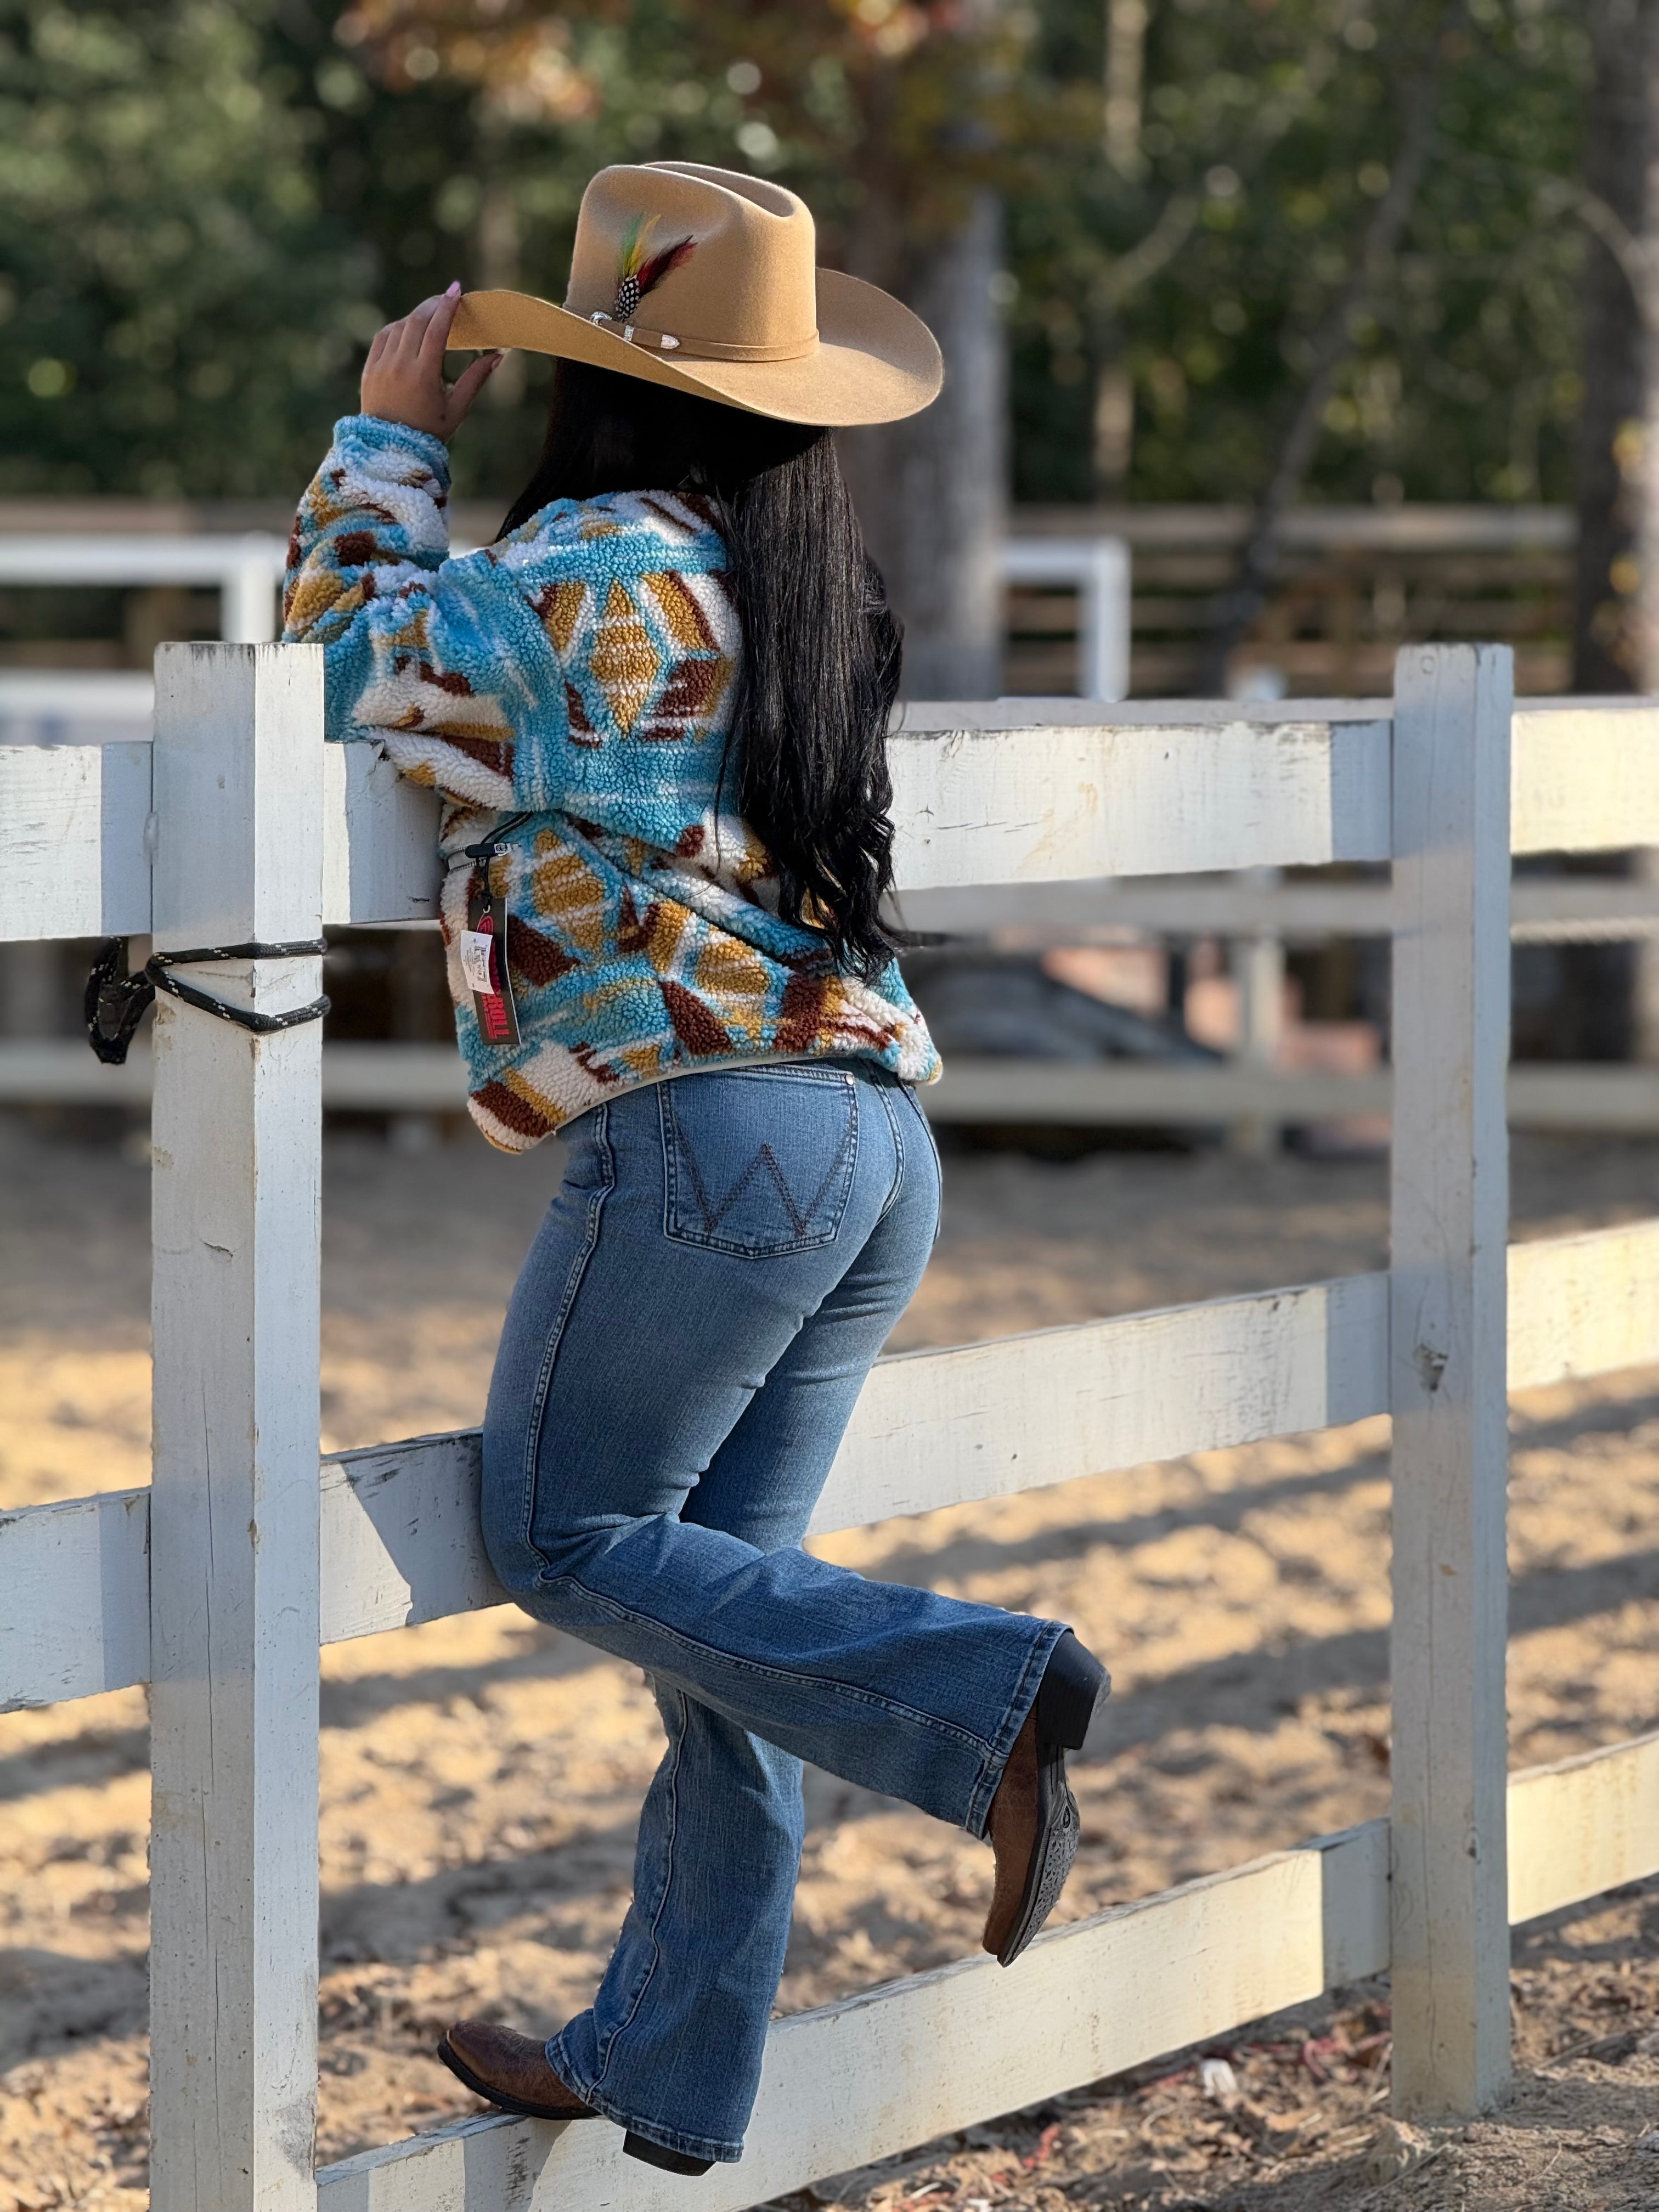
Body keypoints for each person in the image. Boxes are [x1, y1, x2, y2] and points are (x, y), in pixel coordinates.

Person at [283, 160, 1108, 2179]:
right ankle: (668, 2053)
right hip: (865, 1139)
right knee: (715, 1613)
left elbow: (324, 681)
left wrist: (387, 443)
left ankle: (994, 1702)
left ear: (596, 378)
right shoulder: (791, 584)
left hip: (711, 1132)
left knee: (566, 1538)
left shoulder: (583, 571)